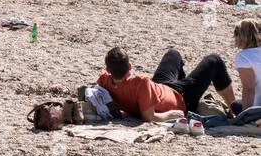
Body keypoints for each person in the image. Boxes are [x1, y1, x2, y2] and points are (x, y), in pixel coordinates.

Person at [99, 46, 236, 122]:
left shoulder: (104, 80)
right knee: (214, 60)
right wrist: (172, 114)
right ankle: (234, 108)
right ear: (130, 66)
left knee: (173, 53)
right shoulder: (141, 82)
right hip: (182, 98)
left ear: (108, 69)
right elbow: (150, 117)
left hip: (161, 87)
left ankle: (188, 84)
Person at [232, 18, 261, 114]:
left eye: (236, 33)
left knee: (235, 105)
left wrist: (244, 118)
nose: (234, 37)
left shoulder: (244, 56)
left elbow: (249, 89)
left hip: (258, 109)